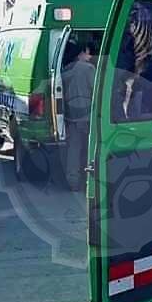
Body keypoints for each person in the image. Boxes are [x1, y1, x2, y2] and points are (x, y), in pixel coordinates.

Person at [60, 41, 97, 191]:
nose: (90, 56)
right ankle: (90, 180)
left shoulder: (65, 70)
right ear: (81, 53)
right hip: (88, 116)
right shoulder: (88, 69)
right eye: (88, 53)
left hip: (71, 116)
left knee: (74, 150)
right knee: (90, 149)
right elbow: (97, 91)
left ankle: (73, 181)